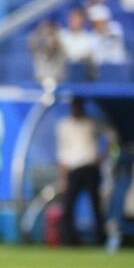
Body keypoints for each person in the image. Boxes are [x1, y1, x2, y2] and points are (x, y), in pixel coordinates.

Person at [56, 97, 107, 246]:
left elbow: (110, 137)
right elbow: (62, 153)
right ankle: (69, 240)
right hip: (74, 169)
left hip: (91, 167)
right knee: (69, 206)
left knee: (96, 206)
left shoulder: (92, 123)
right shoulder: (64, 126)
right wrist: (63, 177)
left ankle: (100, 240)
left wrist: (101, 157)